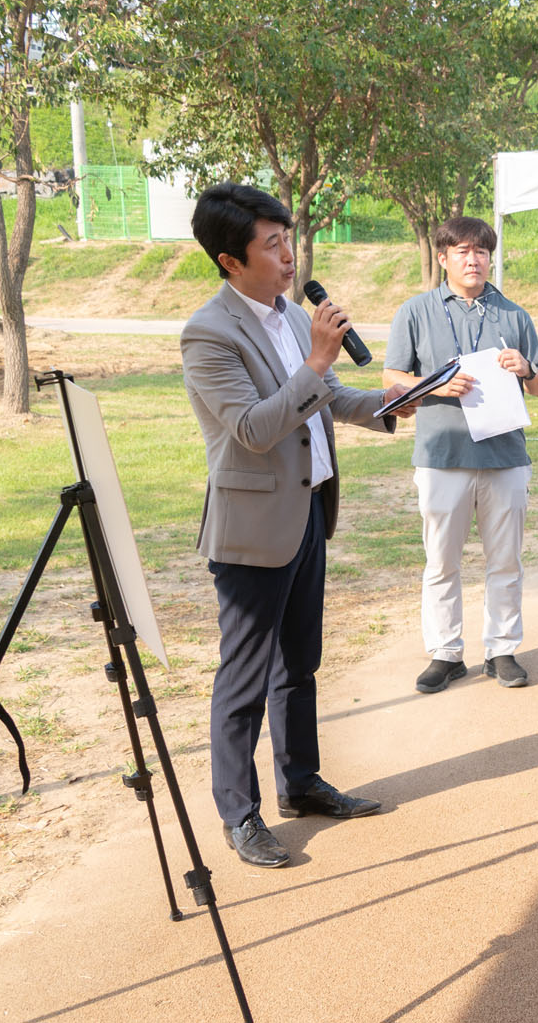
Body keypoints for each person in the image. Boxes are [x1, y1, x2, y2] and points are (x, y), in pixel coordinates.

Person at [181, 182, 415, 869]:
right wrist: (316, 360)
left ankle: (301, 783)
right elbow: (255, 429)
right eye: (272, 245)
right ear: (230, 260)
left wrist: (392, 402)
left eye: (288, 240)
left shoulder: (288, 314)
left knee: (299, 663)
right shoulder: (209, 333)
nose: (289, 256)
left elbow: (325, 398)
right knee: (244, 679)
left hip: (309, 508)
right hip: (253, 527)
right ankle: (239, 814)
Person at [384, 216, 538, 694]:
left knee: (506, 561)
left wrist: (526, 368)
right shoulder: (415, 311)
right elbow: (391, 377)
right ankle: (446, 653)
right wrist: (436, 385)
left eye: (481, 251)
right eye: (462, 251)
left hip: (505, 457)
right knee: (441, 562)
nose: (473, 260)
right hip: (442, 455)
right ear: (443, 258)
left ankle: (502, 650)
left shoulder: (514, 315)